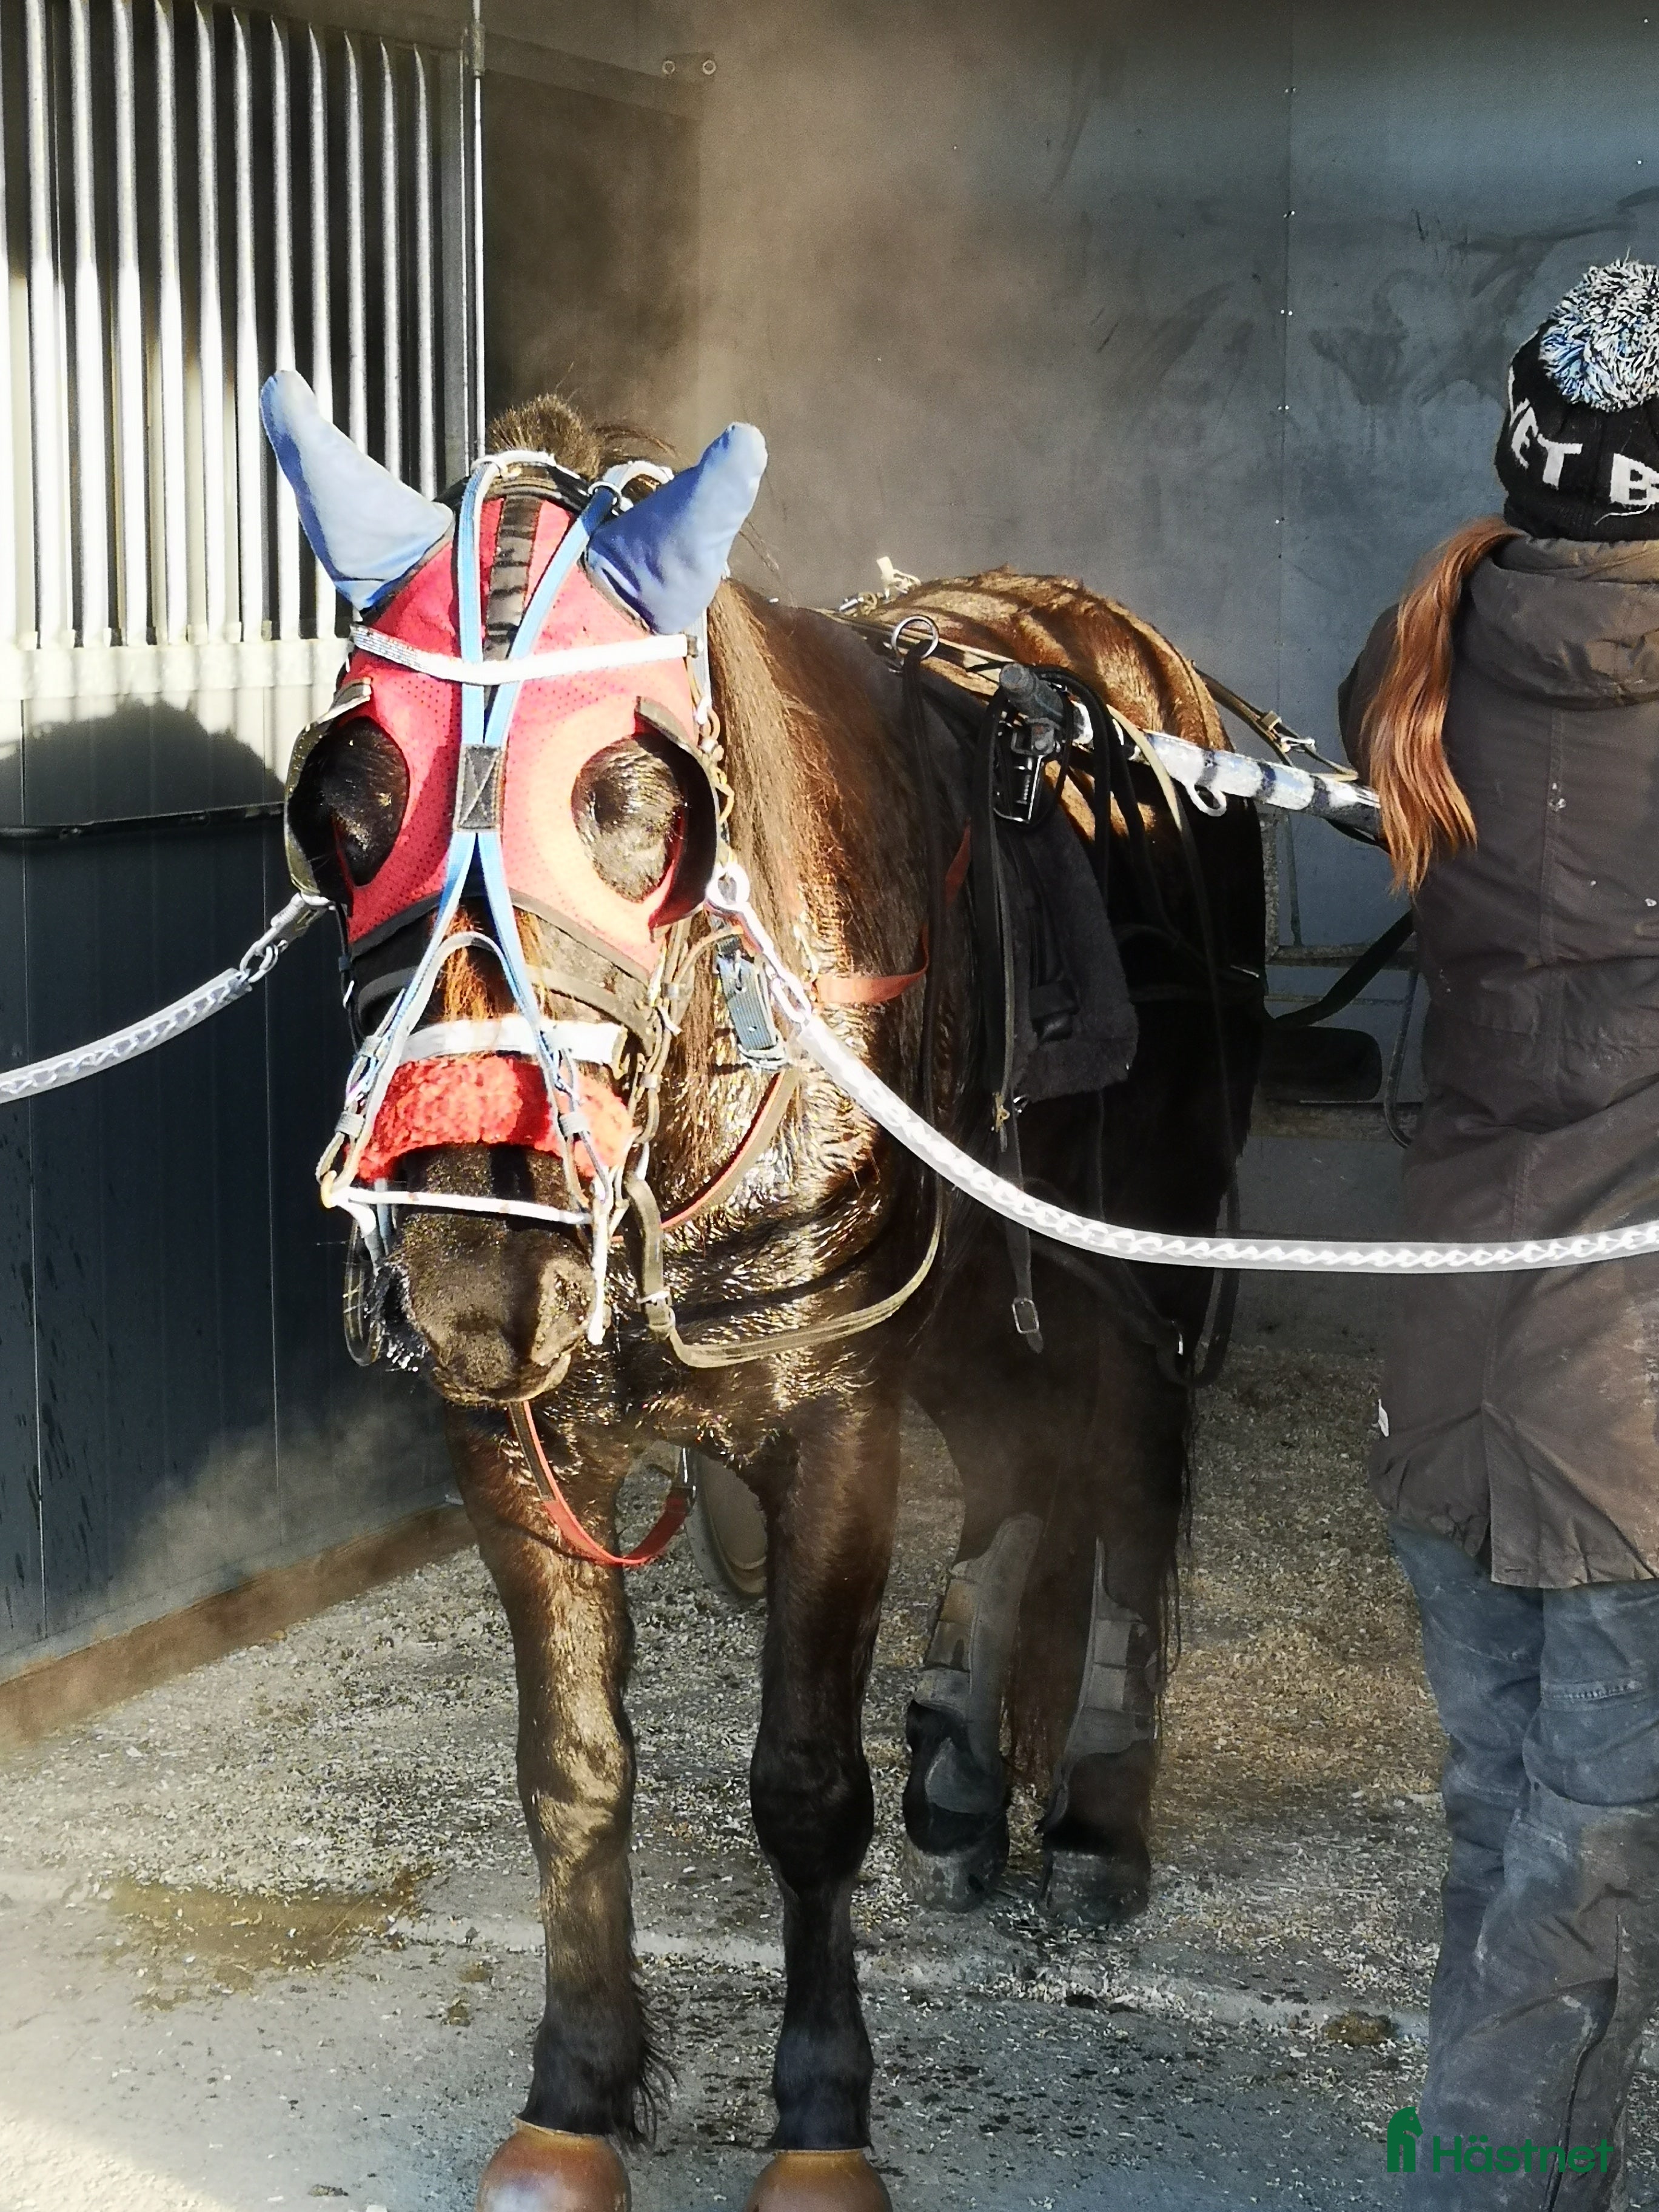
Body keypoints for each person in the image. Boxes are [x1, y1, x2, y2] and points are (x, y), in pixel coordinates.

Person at [1340, 258, 1659, 2210]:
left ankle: (1456, 2161)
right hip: (1633, 1413)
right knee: (1591, 1851)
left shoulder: (1415, 651)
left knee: (1501, 1818)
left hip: (1448, 1367)